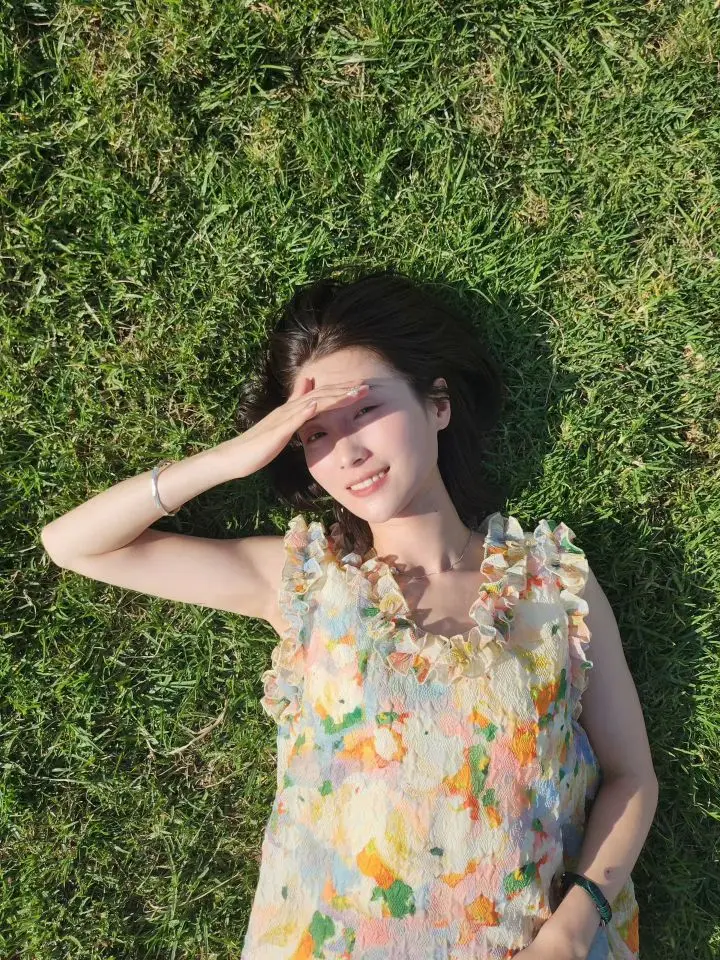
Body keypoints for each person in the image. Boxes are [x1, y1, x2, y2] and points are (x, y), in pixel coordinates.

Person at [41, 269, 657, 959]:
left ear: (438, 404)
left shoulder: (553, 583)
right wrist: (230, 460)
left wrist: (575, 927)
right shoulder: (307, 582)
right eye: (314, 434)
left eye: (364, 410)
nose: (349, 452)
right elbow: (74, 545)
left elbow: (631, 776)